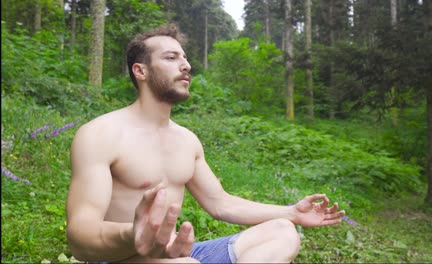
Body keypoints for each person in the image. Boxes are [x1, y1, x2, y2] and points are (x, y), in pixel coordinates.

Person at [66, 23, 346, 264]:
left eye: (185, 58)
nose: (186, 65)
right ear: (140, 71)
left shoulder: (187, 140)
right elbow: (80, 236)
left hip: (175, 256)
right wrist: (134, 235)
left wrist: (292, 212)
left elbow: (221, 203)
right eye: (171, 57)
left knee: (282, 231)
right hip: (120, 258)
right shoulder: (101, 134)